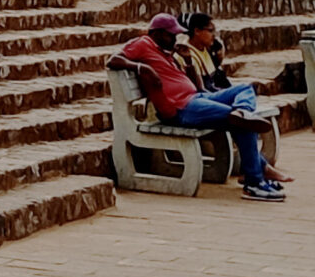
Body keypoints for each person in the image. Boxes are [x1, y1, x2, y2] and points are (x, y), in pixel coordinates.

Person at [109, 14, 285, 200]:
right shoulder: (143, 43)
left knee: (245, 89)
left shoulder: (166, 52)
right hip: (182, 108)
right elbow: (113, 60)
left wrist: (187, 60)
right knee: (245, 124)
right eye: (171, 35)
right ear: (158, 33)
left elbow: (197, 86)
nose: (175, 38)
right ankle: (254, 183)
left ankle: (242, 111)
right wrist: (142, 68)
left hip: (196, 97)